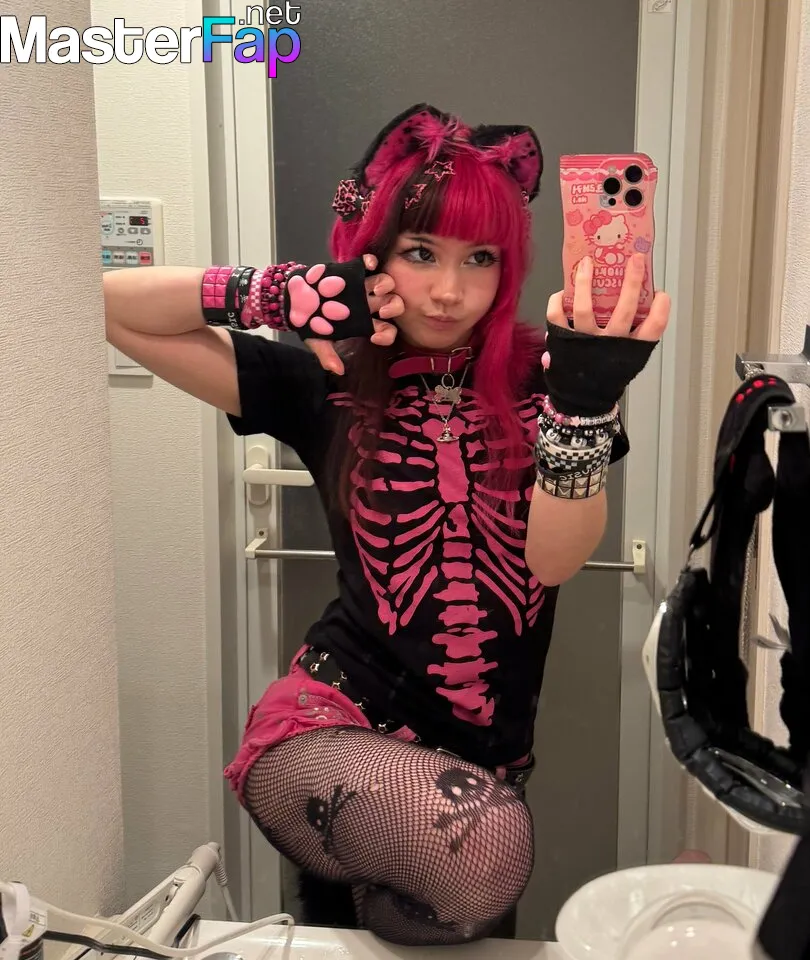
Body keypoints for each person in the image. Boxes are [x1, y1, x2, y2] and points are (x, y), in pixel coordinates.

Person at [103, 103, 670, 946]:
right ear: (374, 254)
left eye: (480, 258)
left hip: (484, 774)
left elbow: (553, 563)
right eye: (420, 252)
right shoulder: (328, 377)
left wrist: (583, 407)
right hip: (333, 726)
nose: (448, 291)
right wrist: (271, 292)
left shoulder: (558, 376)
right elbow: (110, 306)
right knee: (485, 850)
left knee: (463, 883)